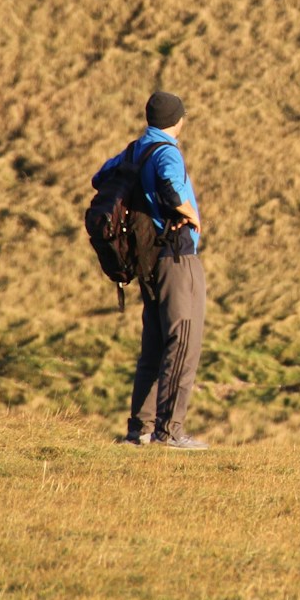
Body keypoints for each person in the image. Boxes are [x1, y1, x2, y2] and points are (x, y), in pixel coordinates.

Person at [93, 91, 208, 449]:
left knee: (155, 345)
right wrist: (187, 213)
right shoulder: (166, 152)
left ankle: (139, 429)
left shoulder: (134, 151)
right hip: (176, 258)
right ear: (178, 119)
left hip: (148, 261)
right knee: (183, 340)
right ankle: (169, 431)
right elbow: (172, 189)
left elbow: (100, 178)